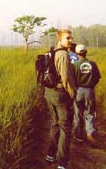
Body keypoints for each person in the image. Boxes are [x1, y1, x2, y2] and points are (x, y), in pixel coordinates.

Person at [44, 29, 76, 169]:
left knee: (55, 123)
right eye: (67, 38)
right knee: (65, 128)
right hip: (60, 95)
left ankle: (50, 155)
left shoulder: (52, 52)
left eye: (71, 38)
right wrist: (72, 94)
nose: (70, 40)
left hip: (49, 93)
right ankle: (62, 163)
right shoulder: (63, 54)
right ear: (60, 40)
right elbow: (66, 78)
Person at [72, 44, 101, 146]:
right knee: (89, 114)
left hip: (78, 91)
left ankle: (78, 136)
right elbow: (97, 78)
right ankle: (90, 134)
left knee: (78, 114)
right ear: (86, 52)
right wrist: (91, 85)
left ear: (77, 53)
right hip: (89, 91)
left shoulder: (74, 65)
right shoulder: (92, 64)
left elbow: (71, 79)